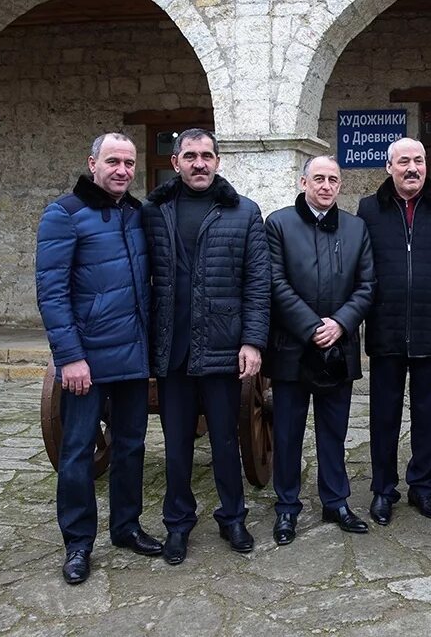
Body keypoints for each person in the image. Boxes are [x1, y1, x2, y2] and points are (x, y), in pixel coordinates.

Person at [35, 132, 162, 585]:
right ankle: (78, 544)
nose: (122, 170)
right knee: (77, 454)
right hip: (86, 363)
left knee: (130, 447)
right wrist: (69, 357)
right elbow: (52, 293)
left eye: (129, 163)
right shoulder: (64, 215)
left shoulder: (136, 214)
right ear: (93, 163)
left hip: (133, 358)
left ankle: (126, 527)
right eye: (113, 161)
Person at [142, 128, 271, 564]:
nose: (200, 163)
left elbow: (257, 284)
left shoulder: (244, 213)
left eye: (208, 156)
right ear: (175, 161)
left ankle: (232, 516)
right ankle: (178, 523)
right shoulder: (154, 212)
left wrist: (253, 341)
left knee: (225, 440)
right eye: (191, 155)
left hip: (222, 347)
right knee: (176, 445)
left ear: (217, 161)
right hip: (173, 351)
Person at [357, 137, 431, 524]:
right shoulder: (368, 210)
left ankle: (422, 488)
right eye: (404, 161)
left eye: (419, 161)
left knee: (428, 416)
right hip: (386, 330)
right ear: (389, 167)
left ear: (427, 165)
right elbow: (361, 271)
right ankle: (383, 490)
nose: (412, 168)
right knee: (383, 417)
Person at [263, 155, 376, 544]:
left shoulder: (356, 228)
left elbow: (367, 285)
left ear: (339, 185)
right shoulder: (278, 223)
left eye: (333, 180)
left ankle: (336, 500)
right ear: (303, 181)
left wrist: (340, 323)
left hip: (337, 350)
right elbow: (275, 283)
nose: (326, 186)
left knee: (334, 430)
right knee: (288, 433)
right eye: (319, 179)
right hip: (292, 348)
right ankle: (287, 508)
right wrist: (311, 327)